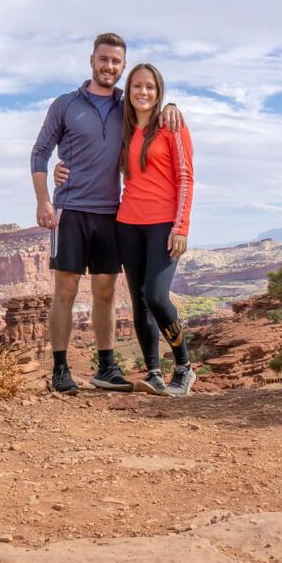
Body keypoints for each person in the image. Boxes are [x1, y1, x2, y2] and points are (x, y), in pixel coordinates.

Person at [30, 33, 182, 394]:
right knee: (65, 290)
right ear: (92, 60)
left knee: (105, 291)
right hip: (69, 209)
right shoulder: (65, 104)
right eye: (103, 59)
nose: (109, 66)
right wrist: (43, 200)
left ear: (122, 67)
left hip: (110, 213)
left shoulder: (125, 106)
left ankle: (107, 368)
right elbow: (40, 153)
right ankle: (61, 369)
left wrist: (173, 104)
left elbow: (152, 105)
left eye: (116, 62)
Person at [112, 63, 196, 396]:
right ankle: (153, 373)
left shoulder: (171, 126)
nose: (142, 92)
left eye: (149, 87)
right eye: (136, 86)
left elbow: (186, 179)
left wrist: (182, 227)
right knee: (139, 302)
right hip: (127, 224)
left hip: (163, 225)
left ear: (159, 92)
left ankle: (185, 367)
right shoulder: (123, 128)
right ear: (128, 91)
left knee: (157, 297)